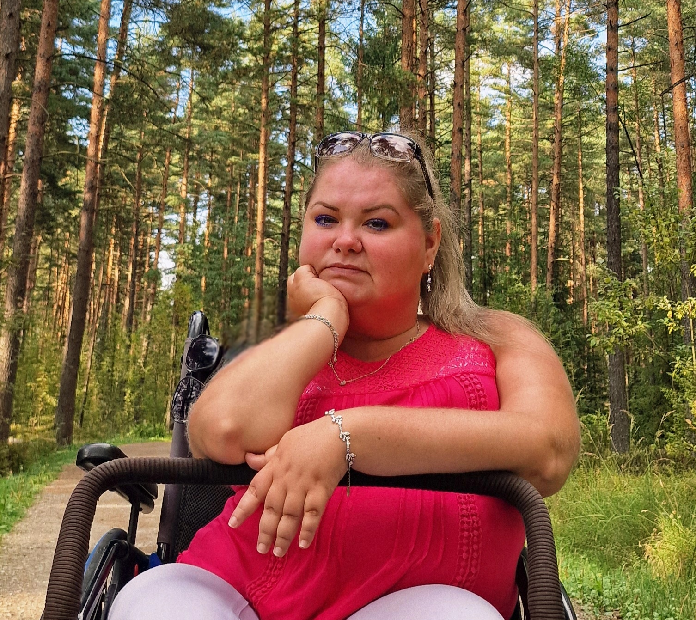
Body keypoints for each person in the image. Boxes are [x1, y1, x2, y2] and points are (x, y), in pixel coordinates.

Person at [110, 132, 580, 620]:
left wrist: (346, 437)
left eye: (377, 223)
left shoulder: (496, 337)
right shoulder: (284, 346)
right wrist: (324, 320)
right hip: (233, 590)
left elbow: (548, 450)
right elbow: (222, 431)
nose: (345, 241)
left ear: (430, 243)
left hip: (426, 601)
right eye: (325, 219)